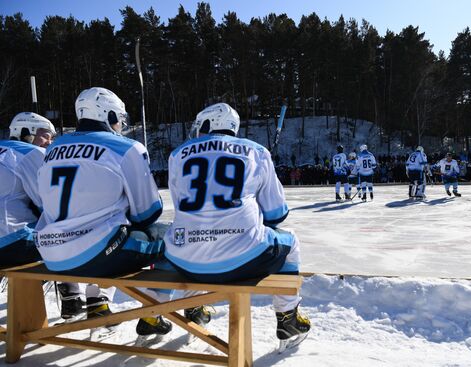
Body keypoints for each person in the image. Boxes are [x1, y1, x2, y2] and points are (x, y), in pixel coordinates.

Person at [164, 103, 310, 352]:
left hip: (186, 260)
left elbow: (182, 207)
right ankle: (288, 317)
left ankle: (194, 309)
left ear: (207, 125)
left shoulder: (179, 154)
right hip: (242, 259)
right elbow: (277, 213)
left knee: (193, 243)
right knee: (290, 240)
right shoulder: (256, 151)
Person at [34, 87, 171, 341]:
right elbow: (148, 213)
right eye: (119, 118)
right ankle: (155, 310)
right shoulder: (125, 147)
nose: (120, 125)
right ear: (108, 115)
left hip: (51, 254)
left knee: (103, 228)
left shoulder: (53, 149)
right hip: (94, 255)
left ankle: (97, 302)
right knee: (171, 236)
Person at [0, 112, 55, 267]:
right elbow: (49, 205)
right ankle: (73, 290)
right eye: (46, 136)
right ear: (27, 132)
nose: (50, 143)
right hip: (11, 242)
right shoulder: (32, 153)